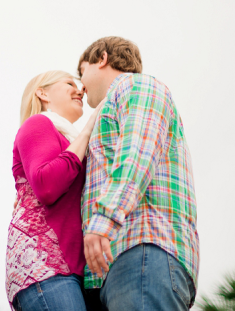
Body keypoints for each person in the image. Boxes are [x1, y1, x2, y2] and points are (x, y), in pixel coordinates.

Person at [78, 36, 200, 310]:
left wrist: (104, 219)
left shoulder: (137, 86)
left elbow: (138, 153)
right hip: (127, 261)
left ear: (102, 59)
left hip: (144, 250)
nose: (80, 85)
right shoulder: (117, 103)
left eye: (82, 70)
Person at [5, 70, 105, 311]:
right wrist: (88, 128)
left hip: (76, 270)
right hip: (45, 266)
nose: (79, 89)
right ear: (42, 93)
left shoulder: (69, 138)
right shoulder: (38, 123)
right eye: (69, 83)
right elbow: (47, 185)